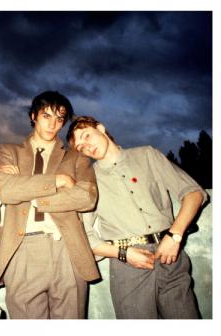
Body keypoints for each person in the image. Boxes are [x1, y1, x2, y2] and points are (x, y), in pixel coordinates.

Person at [67, 115, 207, 319]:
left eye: (86, 136)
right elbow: (84, 237)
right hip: (128, 266)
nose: (86, 147)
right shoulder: (88, 182)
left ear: (101, 128)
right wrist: (124, 254)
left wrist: (174, 236)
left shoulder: (147, 155)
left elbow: (194, 193)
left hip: (171, 256)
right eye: (80, 147)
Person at [0, 91, 100, 319]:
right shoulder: (9, 151)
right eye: (46, 116)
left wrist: (31, 194)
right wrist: (57, 181)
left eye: (59, 119)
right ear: (33, 116)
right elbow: (6, 190)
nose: (53, 125)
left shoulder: (76, 157)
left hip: (68, 250)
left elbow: (87, 197)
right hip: (23, 249)